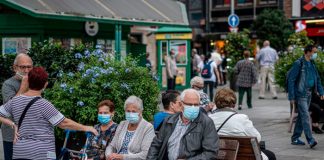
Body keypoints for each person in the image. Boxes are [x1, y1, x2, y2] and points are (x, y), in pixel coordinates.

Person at [0, 67, 98, 160]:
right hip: (41, 153)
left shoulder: (15, 101)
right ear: (45, 84)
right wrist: (86, 127)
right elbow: (63, 123)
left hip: (20, 152)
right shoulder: (43, 104)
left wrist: (13, 124)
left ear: (28, 81)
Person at [147, 89, 219, 160]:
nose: (193, 107)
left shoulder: (206, 122)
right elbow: (156, 145)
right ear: (181, 104)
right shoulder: (169, 120)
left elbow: (211, 153)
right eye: (189, 104)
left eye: (196, 104)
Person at [209, 88, 276, 160]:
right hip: (241, 157)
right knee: (270, 155)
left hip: (216, 157)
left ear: (216, 103)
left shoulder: (208, 119)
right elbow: (257, 138)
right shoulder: (241, 119)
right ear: (234, 104)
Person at [288, 44, 324, 148]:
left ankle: (295, 138)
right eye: (314, 52)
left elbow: (317, 78)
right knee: (305, 115)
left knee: (301, 116)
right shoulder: (299, 63)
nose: (315, 54)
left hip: (309, 94)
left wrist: (321, 92)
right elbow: (291, 80)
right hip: (301, 94)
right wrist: (291, 97)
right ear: (308, 52)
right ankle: (310, 140)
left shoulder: (312, 63)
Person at [1, 53, 33, 160]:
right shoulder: (8, 84)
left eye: (29, 67)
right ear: (15, 68)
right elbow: (12, 107)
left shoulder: (34, 82)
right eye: (23, 67)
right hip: (12, 135)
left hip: (32, 135)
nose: (26, 70)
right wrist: (23, 86)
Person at [105, 96, 155, 160]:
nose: (130, 114)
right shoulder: (122, 124)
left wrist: (123, 157)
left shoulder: (148, 127)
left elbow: (145, 154)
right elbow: (111, 146)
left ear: (140, 112)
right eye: (128, 111)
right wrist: (109, 155)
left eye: (134, 111)